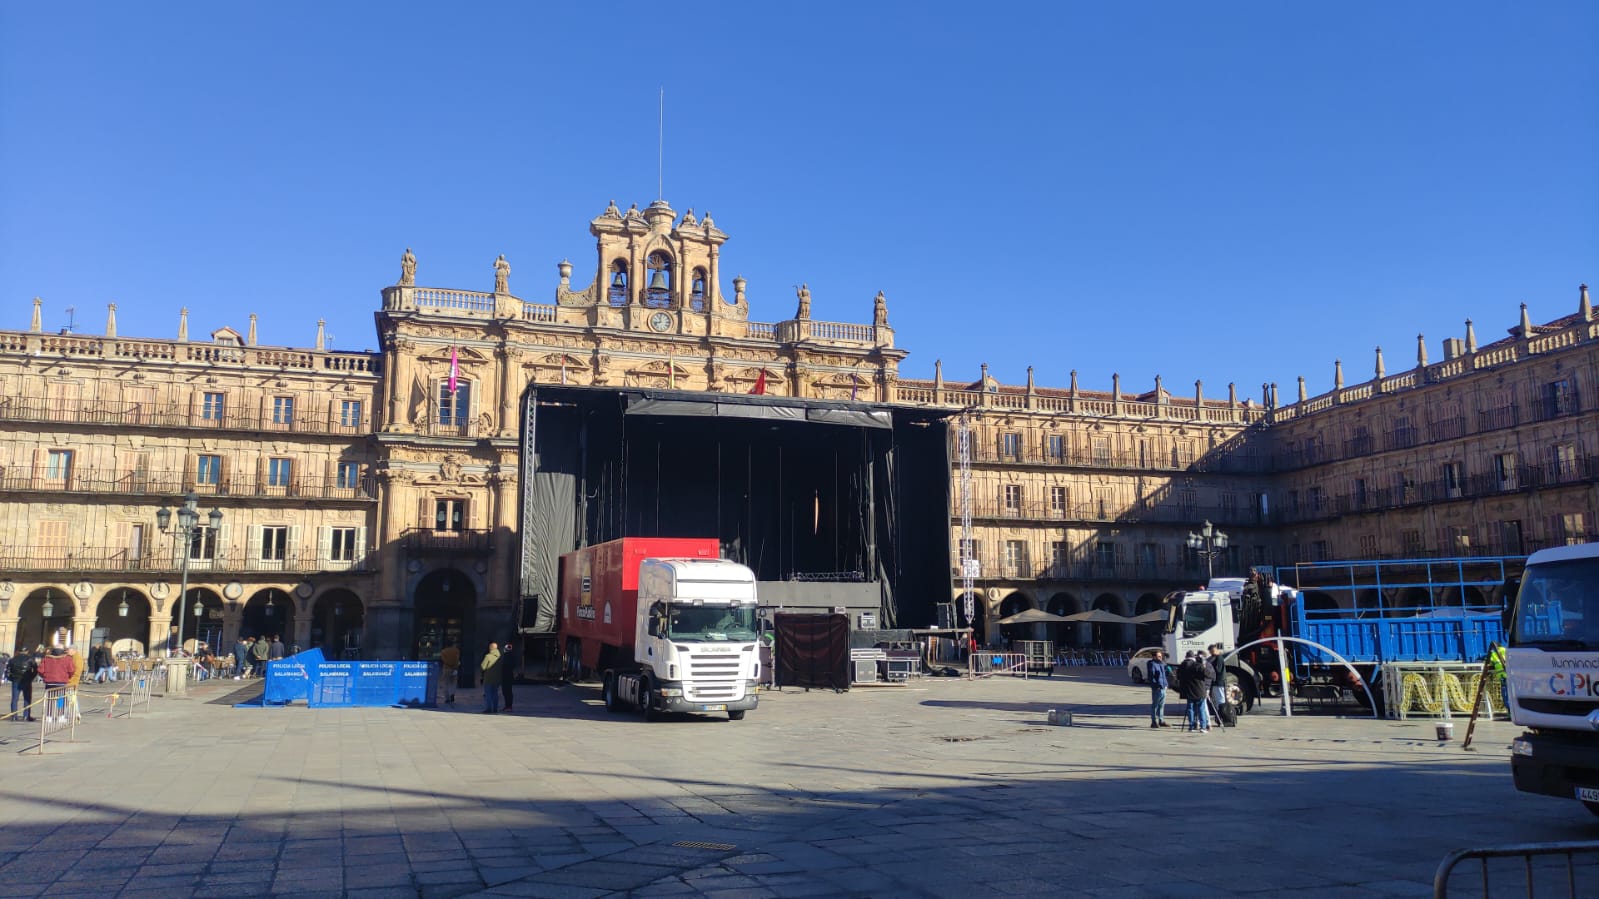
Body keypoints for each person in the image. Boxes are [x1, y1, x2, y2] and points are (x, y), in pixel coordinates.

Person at [38, 647, 73, 724]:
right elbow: (71, 670)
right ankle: (60, 716)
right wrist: (68, 676)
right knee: (60, 699)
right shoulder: (67, 659)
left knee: (50, 700)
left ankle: (49, 717)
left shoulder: (46, 659)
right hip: (61, 682)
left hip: (49, 682)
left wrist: (44, 676)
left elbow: (40, 670)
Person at [8, 648, 37, 722]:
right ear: (27, 651)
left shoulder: (13, 659)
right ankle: (26, 716)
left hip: (16, 680)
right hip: (26, 680)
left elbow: (8, 671)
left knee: (14, 699)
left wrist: (11, 678)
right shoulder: (30, 659)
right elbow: (36, 669)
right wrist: (31, 677)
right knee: (27, 698)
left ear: (19, 651)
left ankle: (14, 716)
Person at [1147, 649, 1170, 728]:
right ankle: (1153, 722)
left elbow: (1164, 674)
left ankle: (1161, 720)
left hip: (1163, 687)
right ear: (1154, 657)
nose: (1160, 657)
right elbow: (1151, 677)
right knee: (1155, 705)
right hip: (1157, 688)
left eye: (1161, 656)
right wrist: (1156, 686)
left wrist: (1166, 684)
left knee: (1162, 705)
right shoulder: (1152, 664)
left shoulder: (1162, 663)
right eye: (1158, 656)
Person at [1208, 644, 1230, 728]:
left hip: (1219, 682)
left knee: (1220, 701)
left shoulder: (1219, 658)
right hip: (1216, 683)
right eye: (1211, 652)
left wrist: (1210, 666)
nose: (1212, 653)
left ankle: (1223, 717)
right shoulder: (1215, 658)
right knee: (1217, 701)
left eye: (1213, 651)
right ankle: (1219, 717)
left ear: (1216, 650)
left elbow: (1218, 669)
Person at [480, 642, 502, 714]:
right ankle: (495, 708)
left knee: (488, 694)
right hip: (497, 678)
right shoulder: (500, 657)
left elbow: (483, 667)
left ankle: (489, 709)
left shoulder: (488, 656)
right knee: (495, 693)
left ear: (491, 648)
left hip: (488, 678)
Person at [438, 640, 460, 705]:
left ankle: (447, 698)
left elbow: (443, 660)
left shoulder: (443, 651)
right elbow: (457, 659)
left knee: (445, 683)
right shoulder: (456, 650)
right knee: (454, 682)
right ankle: (452, 693)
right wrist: (455, 666)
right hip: (454, 668)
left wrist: (449, 664)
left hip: (446, 668)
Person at [500, 637, 517, 713]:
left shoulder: (506, 657)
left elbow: (505, 667)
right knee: (509, 691)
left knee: (506, 692)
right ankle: (509, 706)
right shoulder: (512, 656)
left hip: (506, 677)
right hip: (510, 676)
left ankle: (508, 706)